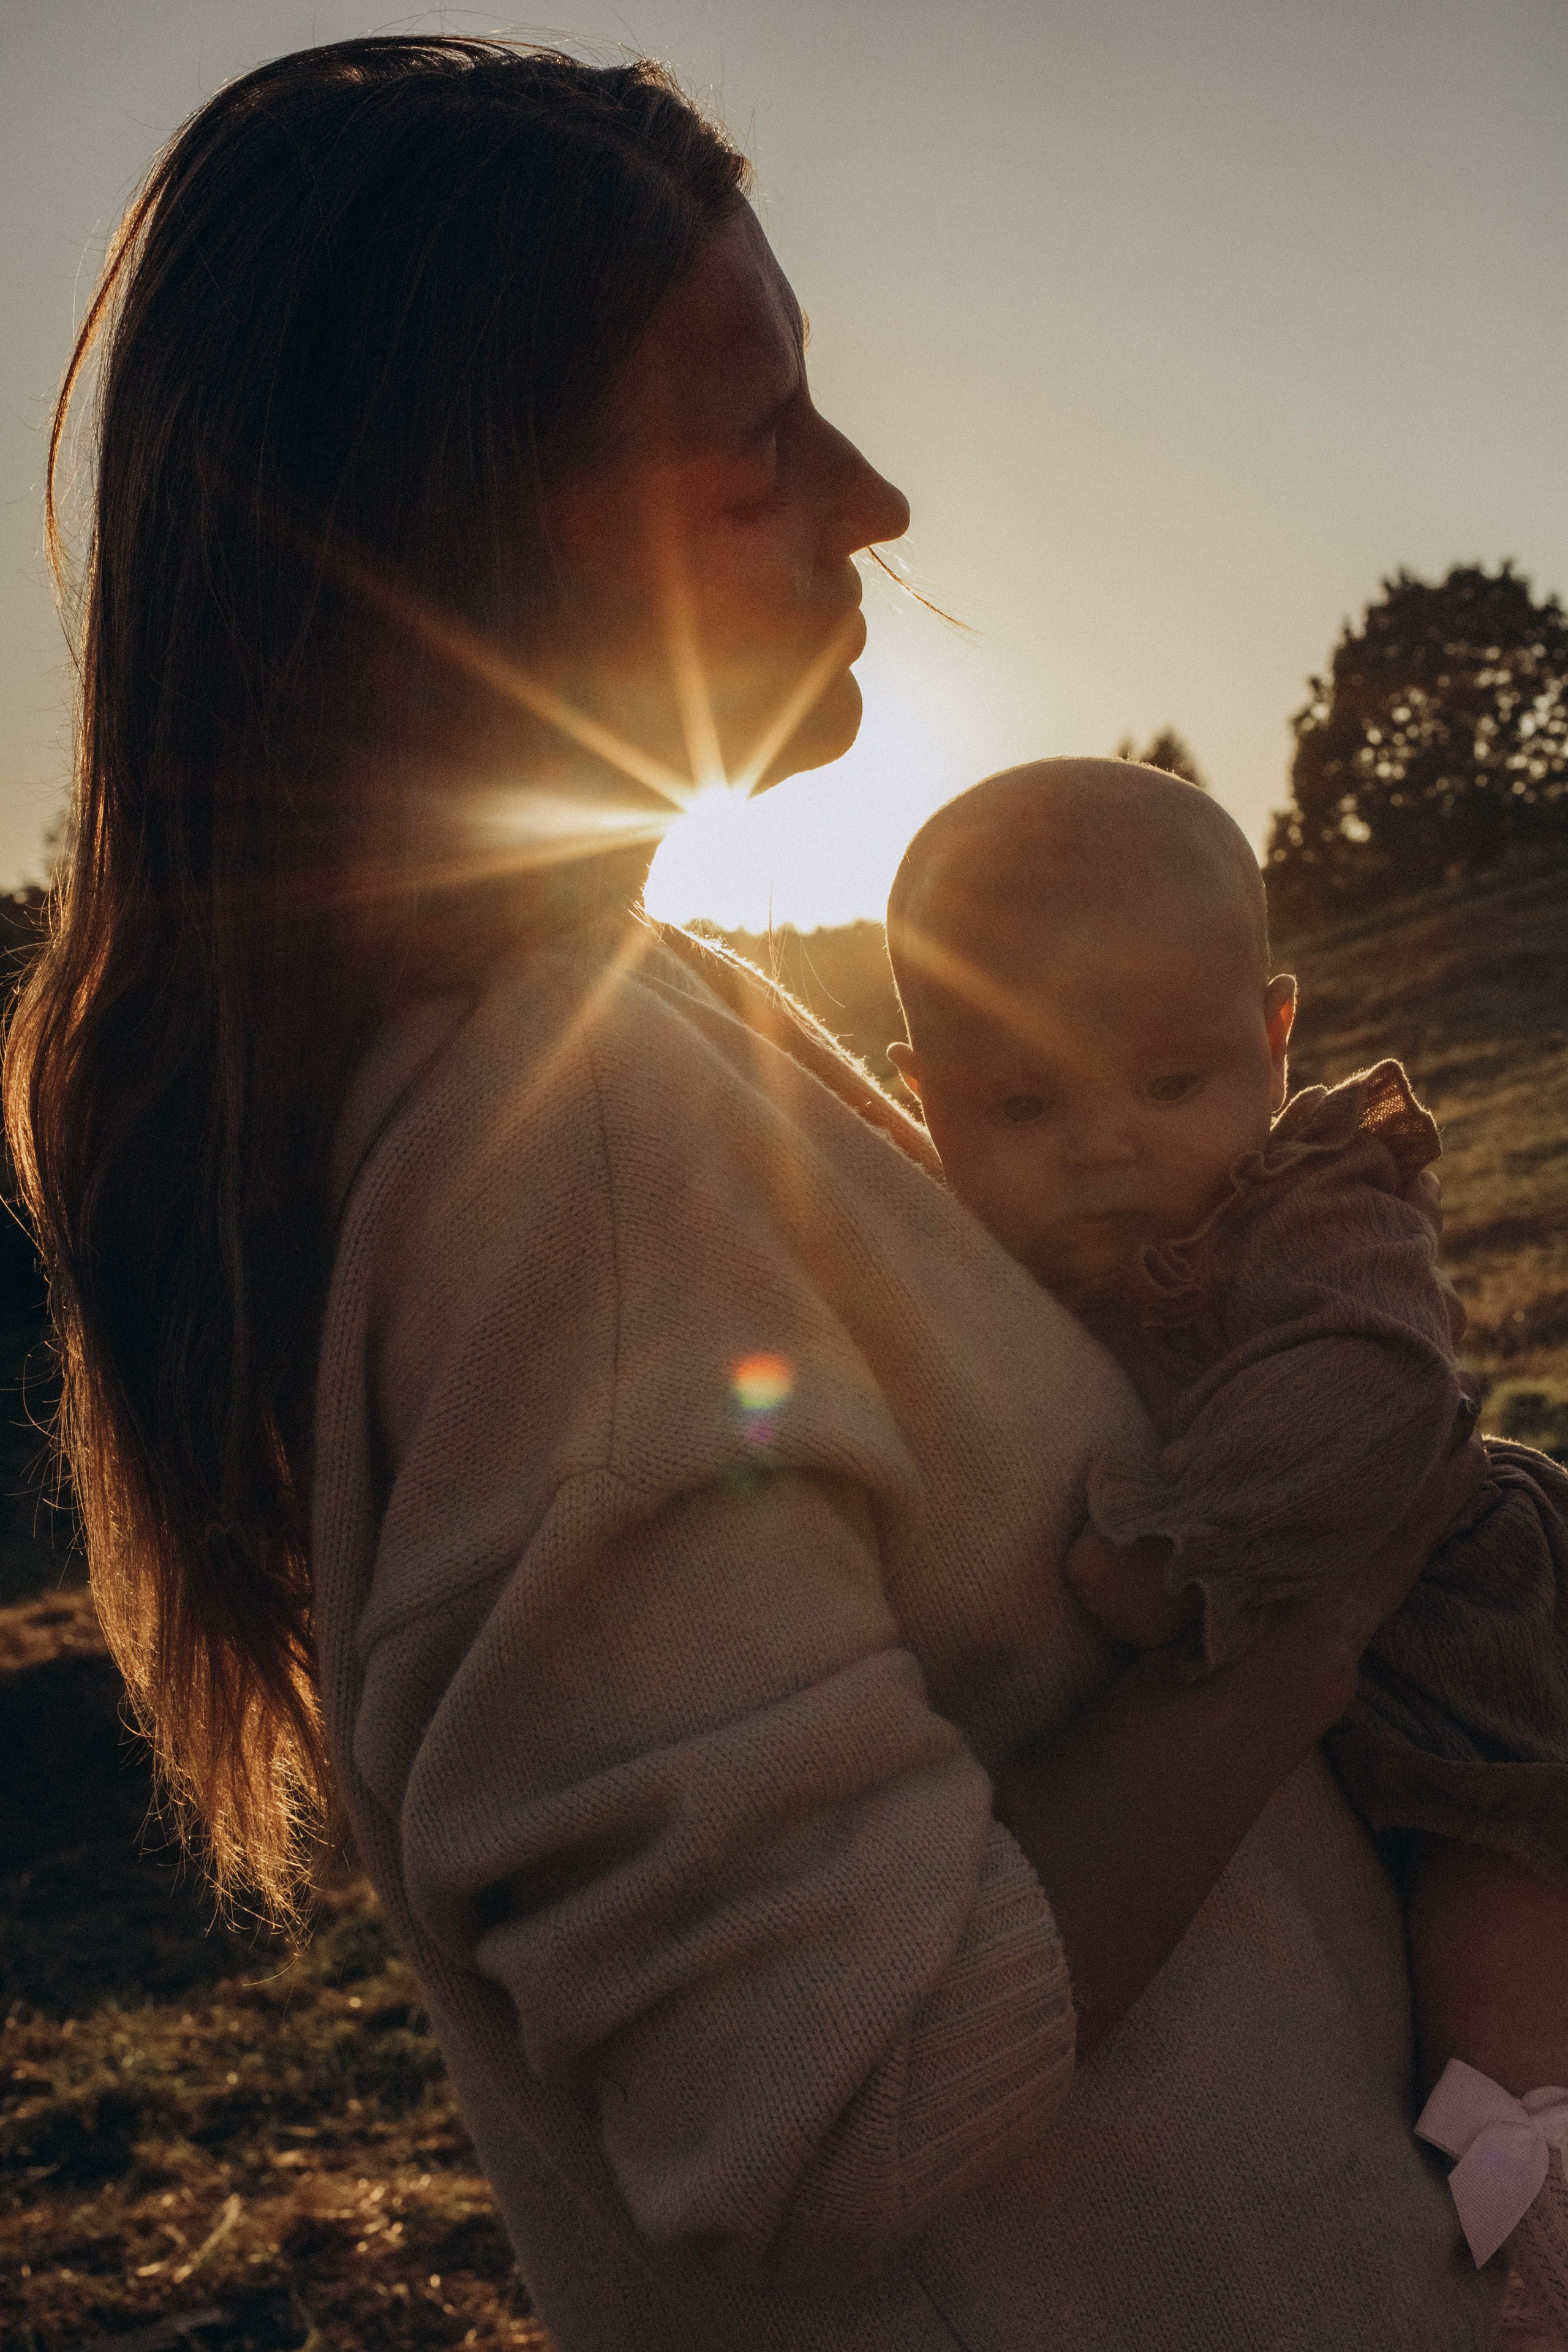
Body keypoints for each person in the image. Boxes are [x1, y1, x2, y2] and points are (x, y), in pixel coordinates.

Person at [4, 37, 1499, 2352]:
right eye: (764, 441)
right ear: (480, 544)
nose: (876, 498)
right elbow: (831, 2092)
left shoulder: (629, 1035)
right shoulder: (566, 1159)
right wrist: (1316, 1611)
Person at [884, 755, 1568, 2329]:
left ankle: (1537, 2229)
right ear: (921, 1098)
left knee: (1491, 1904)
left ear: (1271, 1041)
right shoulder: (971, 1253)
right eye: (1025, 1105)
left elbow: (1365, 1389)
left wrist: (1176, 1550)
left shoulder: (1317, 1193)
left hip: (1461, 1613)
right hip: (1300, 1663)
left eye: (1167, 1083)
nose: (1102, 1145)